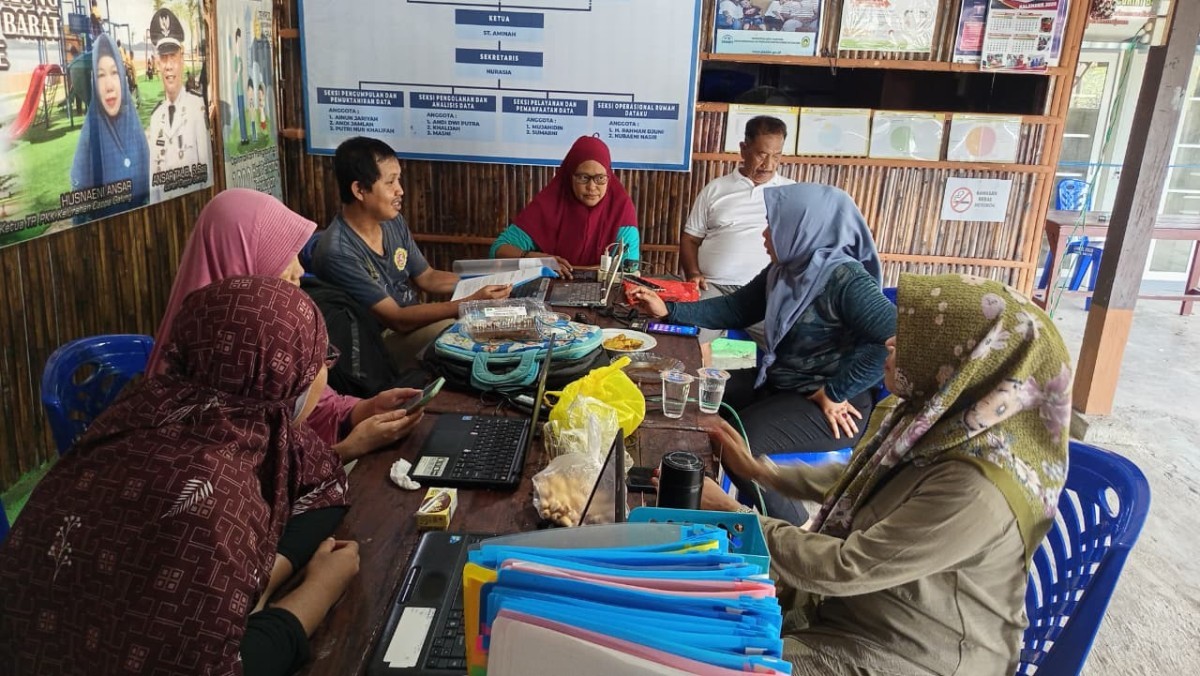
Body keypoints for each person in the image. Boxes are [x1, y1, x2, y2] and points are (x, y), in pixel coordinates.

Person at [690, 272, 1073, 676]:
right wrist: (760, 471)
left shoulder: (977, 489)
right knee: (695, 621)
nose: (890, 342)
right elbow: (863, 478)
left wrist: (736, 519)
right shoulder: (939, 424)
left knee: (705, 660)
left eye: (915, 338)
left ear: (966, 362)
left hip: (908, 653)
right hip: (860, 613)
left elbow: (845, 568)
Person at [0, 276, 360, 676]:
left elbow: (322, 484)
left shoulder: (146, 409)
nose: (325, 371)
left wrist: (268, 574)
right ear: (284, 378)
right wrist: (321, 588)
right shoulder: (216, 487)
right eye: (320, 360)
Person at [631, 183, 894, 523]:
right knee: (692, 391)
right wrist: (667, 310)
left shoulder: (845, 279)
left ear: (802, 227)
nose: (766, 234)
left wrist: (835, 390)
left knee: (740, 442)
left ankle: (789, 531)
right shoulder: (785, 270)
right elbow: (736, 308)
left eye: (774, 225)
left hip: (832, 406)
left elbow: (891, 339)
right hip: (782, 381)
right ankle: (678, 489)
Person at [147, 188, 424, 461]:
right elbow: (249, 482)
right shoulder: (207, 363)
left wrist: (366, 409)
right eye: (282, 254)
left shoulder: (260, 332)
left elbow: (312, 406)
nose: (299, 270)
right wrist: (346, 451)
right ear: (245, 261)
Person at [310, 136, 511, 370]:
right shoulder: (338, 252)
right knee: (457, 331)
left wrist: (490, 282)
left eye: (399, 180)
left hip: (408, 326)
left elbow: (428, 277)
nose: (400, 190)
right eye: (390, 182)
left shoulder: (391, 222)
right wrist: (469, 303)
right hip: (374, 347)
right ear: (359, 190)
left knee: (482, 323)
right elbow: (396, 319)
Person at [680, 115, 793, 356]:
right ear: (744, 149)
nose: (769, 164)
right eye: (762, 154)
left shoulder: (790, 193)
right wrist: (693, 273)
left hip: (765, 293)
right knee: (690, 345)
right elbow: (690, 238)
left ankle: (762, 387)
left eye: (777, 156)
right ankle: (710, 389)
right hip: (714, 287)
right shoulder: (717, 189)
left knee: (788, 350)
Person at [489, 135, 639, 277]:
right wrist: (538, 259)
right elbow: (498, 249)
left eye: (600, 178)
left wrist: (573, 269)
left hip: (605, 296)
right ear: (569, 176)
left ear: (609, 176)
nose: (592, 187)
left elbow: (629, 270)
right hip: (548, 295)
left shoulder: (621, 209)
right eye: (583, 177)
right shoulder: (549, 205)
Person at [70, 33, 150, 221]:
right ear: (94, 83)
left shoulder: (134, 127)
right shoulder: (90, 138)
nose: (109, 86)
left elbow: (151, 191)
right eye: (100, 75)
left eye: (114, 73)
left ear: (122, 77)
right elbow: (80, 215)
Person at [147, 7, 212, 202]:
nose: (168, 66)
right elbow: (153, 185)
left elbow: (206, 175)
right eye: (164, 58)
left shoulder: (197, 108)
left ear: (181, 59)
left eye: (173, 57)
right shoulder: (156, 117)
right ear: (158, 64)